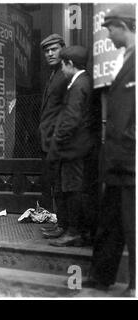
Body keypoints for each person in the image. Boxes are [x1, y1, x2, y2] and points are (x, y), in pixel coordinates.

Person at [84, 4, 135, 296]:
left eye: (111, 28)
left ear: (125, 26)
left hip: (131, 159)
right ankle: (101, 275)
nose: (108, 34)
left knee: (132, 224)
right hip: (116, 158)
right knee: (110, 220)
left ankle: (135, 284)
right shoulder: (123, 58)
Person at [46, 46, 95, 247]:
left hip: (74, 149)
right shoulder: (83, 82)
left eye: (63, 66)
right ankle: (72, 230)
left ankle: (74, 232)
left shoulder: (78, 85)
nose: (62, 70)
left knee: (73, 189)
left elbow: (71, 119)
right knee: (72, 189)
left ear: (70, 64)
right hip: (78, 148)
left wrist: (57, 141)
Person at [37, 34, 70, 239]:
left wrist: (57, 136)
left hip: (59, 141)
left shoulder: (65, 75)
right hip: (49, 140)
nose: (50, 53)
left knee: (63, 185)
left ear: (63, 50)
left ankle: (66, 227)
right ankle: (62, 223)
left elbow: (67, 110)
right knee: (56, 184)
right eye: (47, 51)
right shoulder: (53, 74)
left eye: (54, 49)